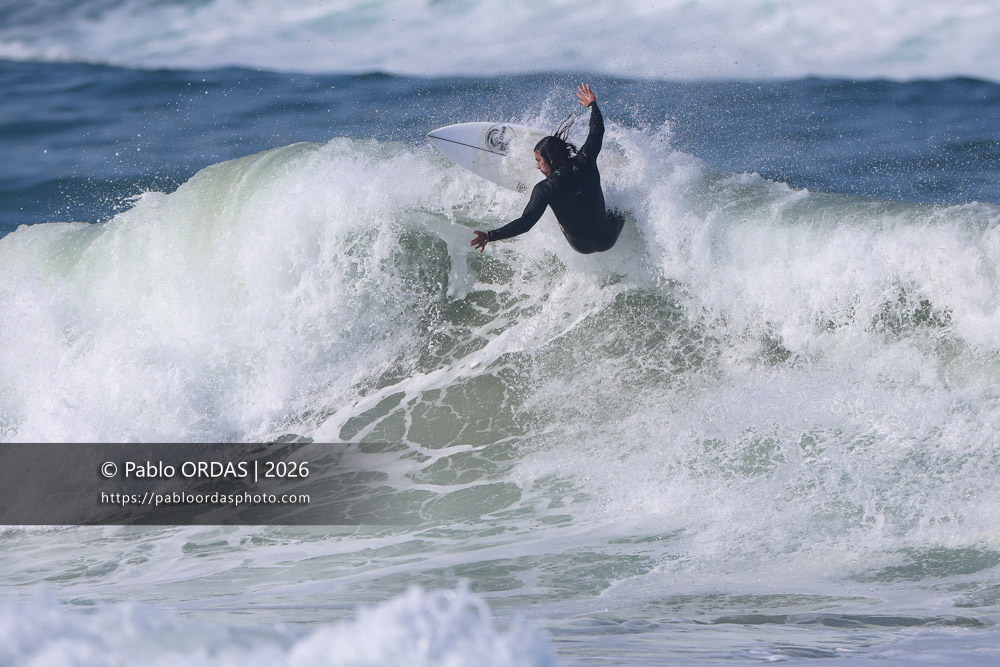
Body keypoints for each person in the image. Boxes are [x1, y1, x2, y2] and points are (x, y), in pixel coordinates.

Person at [470, 83, 624, 254]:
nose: (537, 166)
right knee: (621, 212)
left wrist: (490, 236)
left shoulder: (545, 189)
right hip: (607, 239)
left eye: (538, 160)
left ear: (550, 160)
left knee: (562, 205)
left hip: (580, 246)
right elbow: (597, 130)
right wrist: (592, 104)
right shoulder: (585, 160)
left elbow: (525, 223)